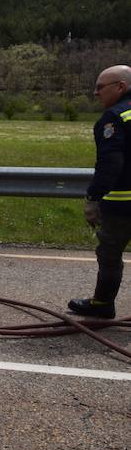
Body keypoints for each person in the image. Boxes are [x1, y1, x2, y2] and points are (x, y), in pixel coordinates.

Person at [68, 64, 131, 318]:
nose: (96, 93)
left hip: (123, 205)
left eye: (100, 88)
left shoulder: (114, 118)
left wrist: (93, 198)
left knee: (109, 252)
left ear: (121, 87)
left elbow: (110, 163)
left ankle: (103, 305)